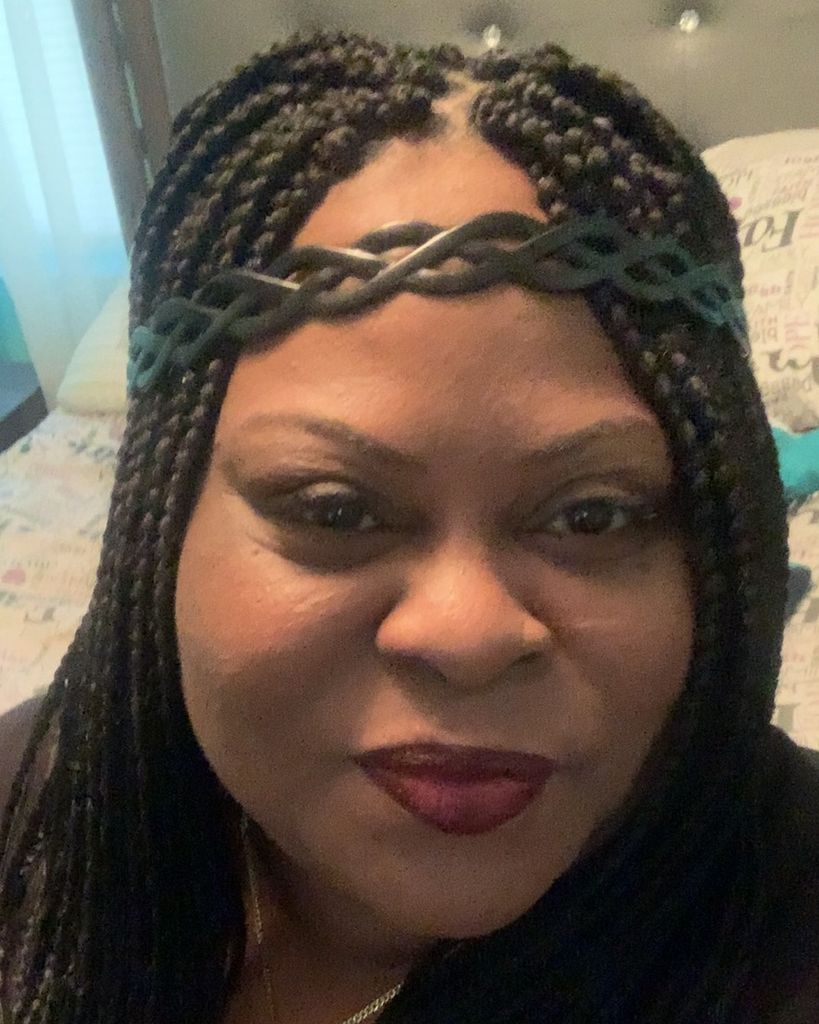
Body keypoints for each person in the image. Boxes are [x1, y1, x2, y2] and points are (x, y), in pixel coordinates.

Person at [0, 30, 817, 1024]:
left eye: (591, 514)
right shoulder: (31, 814)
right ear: (160, 521)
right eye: (335, 509)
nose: (467, 638)